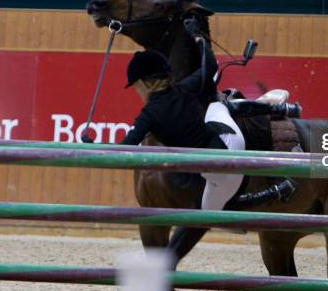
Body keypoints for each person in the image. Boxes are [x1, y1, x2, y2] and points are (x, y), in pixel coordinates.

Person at [121, 19, 296, 212]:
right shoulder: (184, 89)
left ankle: (277, 191)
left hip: (221, 164)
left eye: (136, 86)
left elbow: (124, 150)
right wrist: (199, 38)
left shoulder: (148, 114)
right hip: (225, 135)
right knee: (218, 102)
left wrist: (91, 144)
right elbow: (211, 66)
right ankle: (278, 109)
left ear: (145, 84)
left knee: (211, 212)